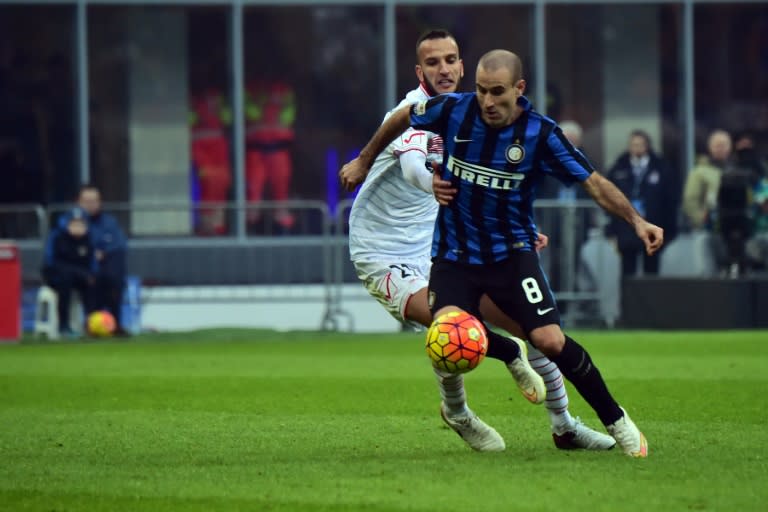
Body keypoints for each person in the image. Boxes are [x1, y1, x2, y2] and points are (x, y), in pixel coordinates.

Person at [341, 49, 665, 457]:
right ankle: (461, 410)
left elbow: (593, 182)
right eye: (480, 91)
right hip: (455, 256)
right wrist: (365, 159)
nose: (488, 102)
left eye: (497, 92)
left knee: (549, 340)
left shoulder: (541, 134)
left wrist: (636, 221)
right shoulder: (454, 110)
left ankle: (613, 420)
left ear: (519, 89)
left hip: (511, 255)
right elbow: (404, 117)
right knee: (449, 330)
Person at [605, 130, 679, 276]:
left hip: (653, 226)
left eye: (640, 145)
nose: (637, 148)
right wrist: (612, 229)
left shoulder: (661, 168)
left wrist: (670, 229)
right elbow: (608, 198)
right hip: (627, 227)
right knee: (627, 271)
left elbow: (671, 200)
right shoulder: (619, 168)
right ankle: (628, 299)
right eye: (633, 145)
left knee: (651, 271)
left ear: (647, 146)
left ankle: (651, 299)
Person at [73, 184, 130, 336]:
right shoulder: (69, 222)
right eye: (87, 201)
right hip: (80, 268)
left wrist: (103, 253)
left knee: (113, 277)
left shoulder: (109, 222)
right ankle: (90, 325)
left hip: (105, 268)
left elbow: (119, 244)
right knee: (91, 278)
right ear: (78, 202)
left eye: (94, 201)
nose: (91, 205)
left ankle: (115, 324)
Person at [41, 207, 97, 337]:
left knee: (93, 284)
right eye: (74, 224)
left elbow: (92, 264)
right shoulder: (58, 237)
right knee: (65, 280)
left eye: (80, 224)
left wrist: (91, 275)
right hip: (57, 278)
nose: (77, 227)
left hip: (80, 278)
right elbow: (51, 262)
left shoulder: (88, 240)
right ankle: (63, 325)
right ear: (67, 224)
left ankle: (91, 324)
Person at [681, 129, 734, 231]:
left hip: (734, 223)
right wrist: (701, 220)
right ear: (710, 147)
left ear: (730, 147)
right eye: (717, 145)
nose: (720, 149)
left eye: (724, 145)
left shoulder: (736, 169)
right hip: (710, 226)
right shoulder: (699, 172)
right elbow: (690, 200)